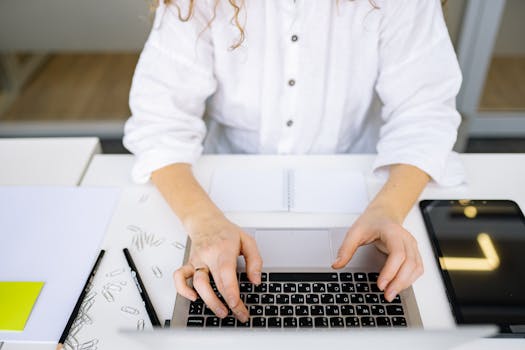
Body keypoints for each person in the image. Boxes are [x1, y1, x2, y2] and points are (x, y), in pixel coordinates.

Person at [124, 0, 463, 324]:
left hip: (360, 187)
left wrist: (388, 211)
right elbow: (160, 121)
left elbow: (424, 113)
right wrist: (205, 224)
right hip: (220, 187)